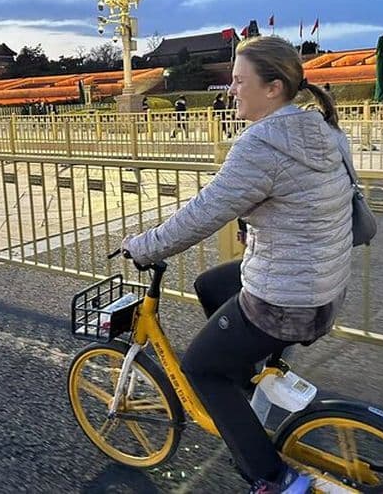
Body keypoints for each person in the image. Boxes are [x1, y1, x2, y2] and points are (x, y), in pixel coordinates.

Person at [122, 36, 352, 494]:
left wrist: (144, 247)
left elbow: (203, 213)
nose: (231, 89)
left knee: (200, 368)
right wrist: (257, 223)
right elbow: (313, 197)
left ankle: (273, 479)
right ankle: (246, 389)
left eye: (239, 80)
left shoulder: (261, 144)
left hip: (286, 299)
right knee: (211, 284)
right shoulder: (323, 129)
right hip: (325, 283)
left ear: (273, 88)